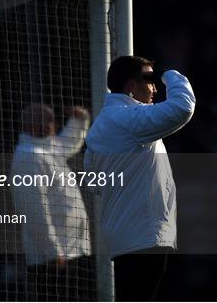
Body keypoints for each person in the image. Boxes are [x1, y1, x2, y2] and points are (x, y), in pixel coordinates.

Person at [84, 56, 196, 301]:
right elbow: (182, 107)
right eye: (149, 79)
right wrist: (170, 74)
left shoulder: (102, 124)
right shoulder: (128, 119)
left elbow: (93, 183)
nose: (155, 87)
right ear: (131, 87)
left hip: (126, 235)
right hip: (142, 235)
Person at [10, 103, 95, 301]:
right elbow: (34, 211)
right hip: (53, 259)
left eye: (53, 122)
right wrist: (52, 252)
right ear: (31, 126)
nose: (53, 126)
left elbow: (70, 143)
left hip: (72, 251)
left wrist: (79, 119)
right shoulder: (28, 158)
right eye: (47, 122)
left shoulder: (47, 149)